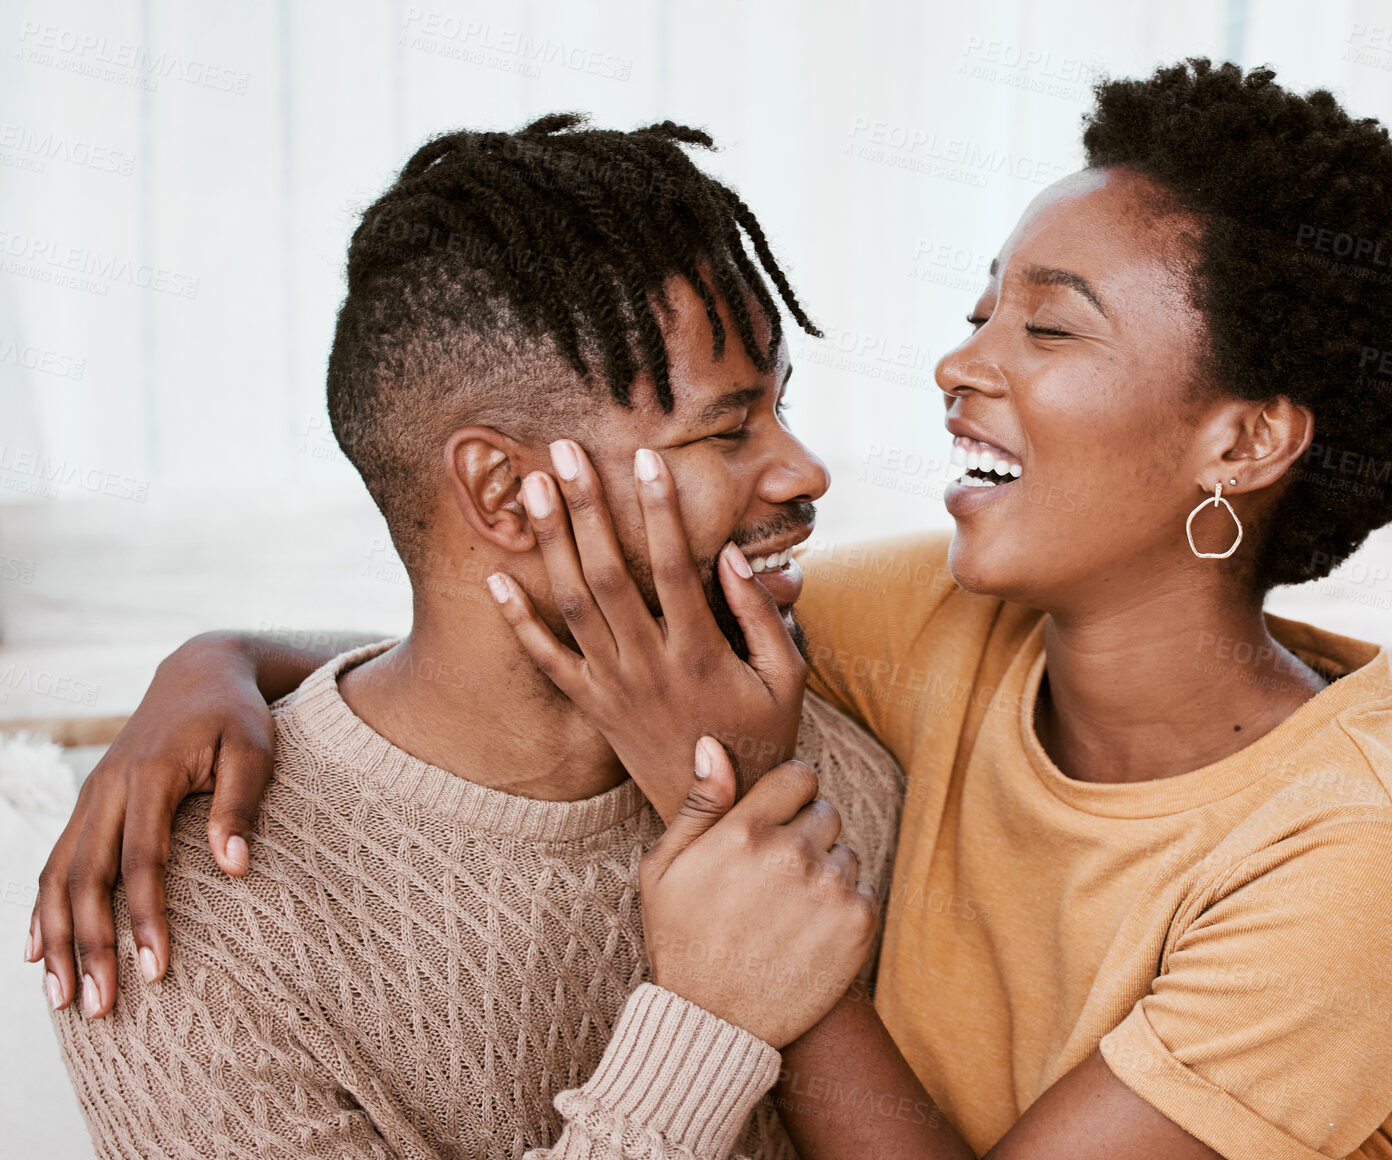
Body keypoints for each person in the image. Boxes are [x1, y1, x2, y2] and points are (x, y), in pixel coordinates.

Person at [36, 60, 1392, 1159]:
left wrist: (740, 899)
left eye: (1048, 326)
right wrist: (213, 667)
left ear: (1244, 442)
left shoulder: (1357, 872)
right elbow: (489, 638)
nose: (952, 368)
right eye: (984, 304)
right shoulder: (919, 631)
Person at [36, 111, 904, 1160]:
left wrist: (220, 651)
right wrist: (701, 1029)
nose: (803, 471)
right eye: (725, 428)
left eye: (778, 409)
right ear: (504, 490)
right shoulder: (183, 918)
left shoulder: (831, 771)